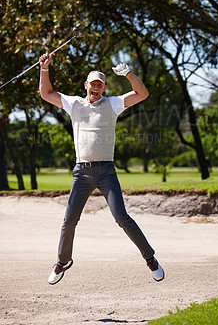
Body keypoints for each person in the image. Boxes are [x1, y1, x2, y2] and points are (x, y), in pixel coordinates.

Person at [39, 52, 164, 285]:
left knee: (121, 217)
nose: (95, 88)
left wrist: (128, 73)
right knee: (69, 221)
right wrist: (44, 69)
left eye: (100, 85)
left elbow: (143, 94)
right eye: (92, 84)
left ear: (104, 87)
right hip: (82, 173)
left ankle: (150, 258)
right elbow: (46, 93)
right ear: (86, 86)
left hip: (106, 172)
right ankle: (62, 261)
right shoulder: (74, 103)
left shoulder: (112, 104)